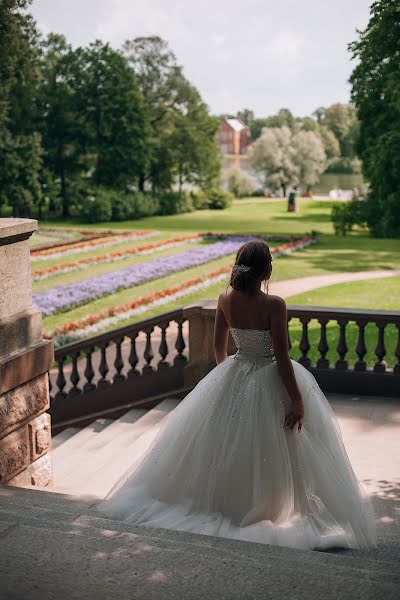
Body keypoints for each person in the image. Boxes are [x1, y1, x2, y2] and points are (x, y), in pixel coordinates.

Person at [97, 240, 376, 551]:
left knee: (228, 448)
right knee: (277, 447)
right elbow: (281, 358)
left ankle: (228, 504)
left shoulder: (224, 299)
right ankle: (269, 507)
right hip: (268, 372)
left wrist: (226, 375)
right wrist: (296, 400)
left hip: (236, 370)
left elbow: (218, 346)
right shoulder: (274, 305)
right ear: (266, 269)